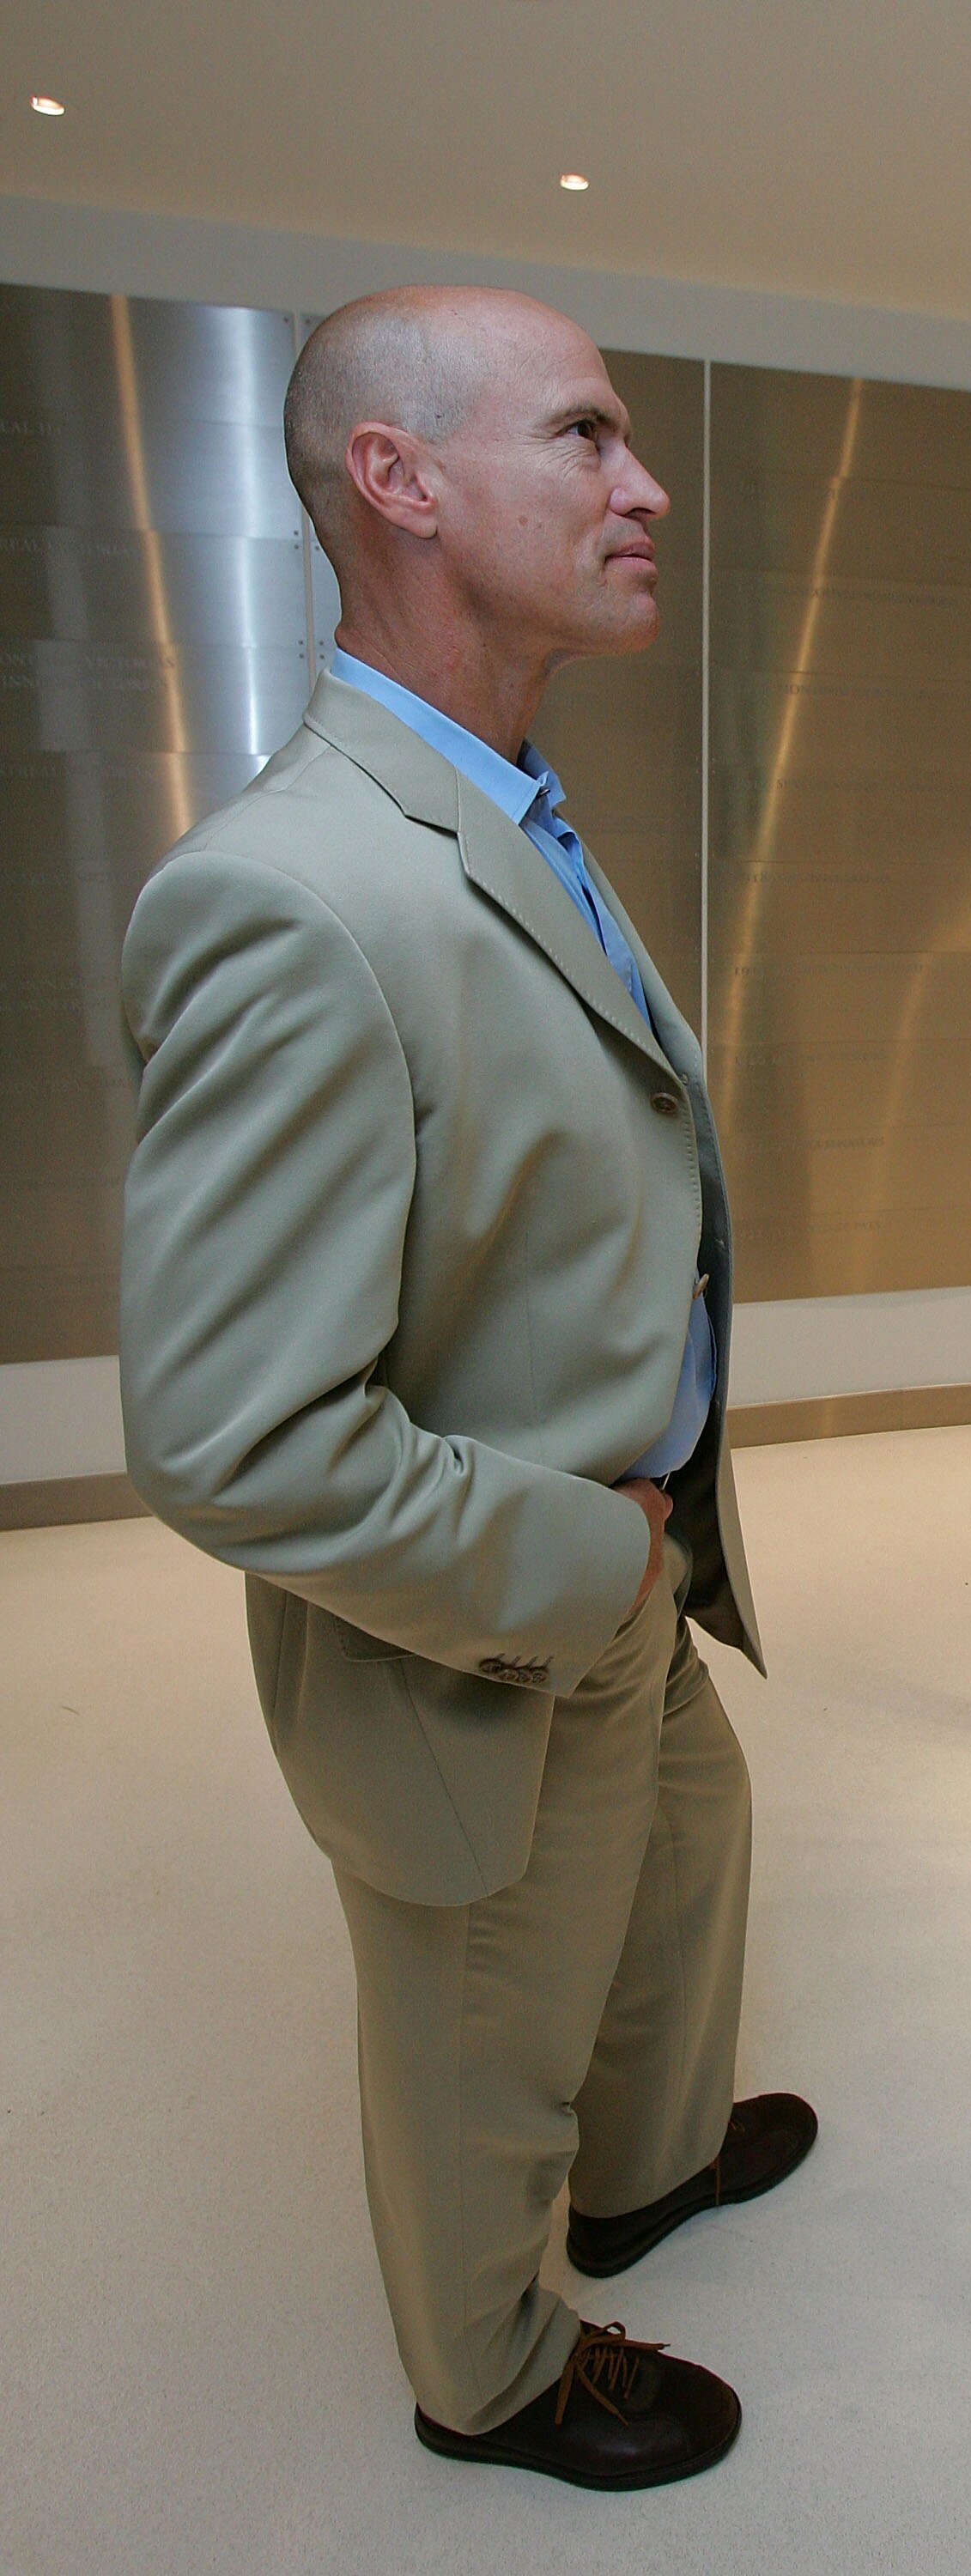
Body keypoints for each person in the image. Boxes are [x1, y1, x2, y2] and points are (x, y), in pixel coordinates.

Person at [117, 284, 814, 2493]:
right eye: (588, 436)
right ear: (400, 483)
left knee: (684, 1861)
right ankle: (492, 2365)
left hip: (633, 1538)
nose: (648, 486)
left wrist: (658, 1536)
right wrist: (580, 1566)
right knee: (479, 2010)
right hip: (503, 1596)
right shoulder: (288, 897)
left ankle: (650, 2165)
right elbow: (235, 1433)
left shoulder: (505, 806)